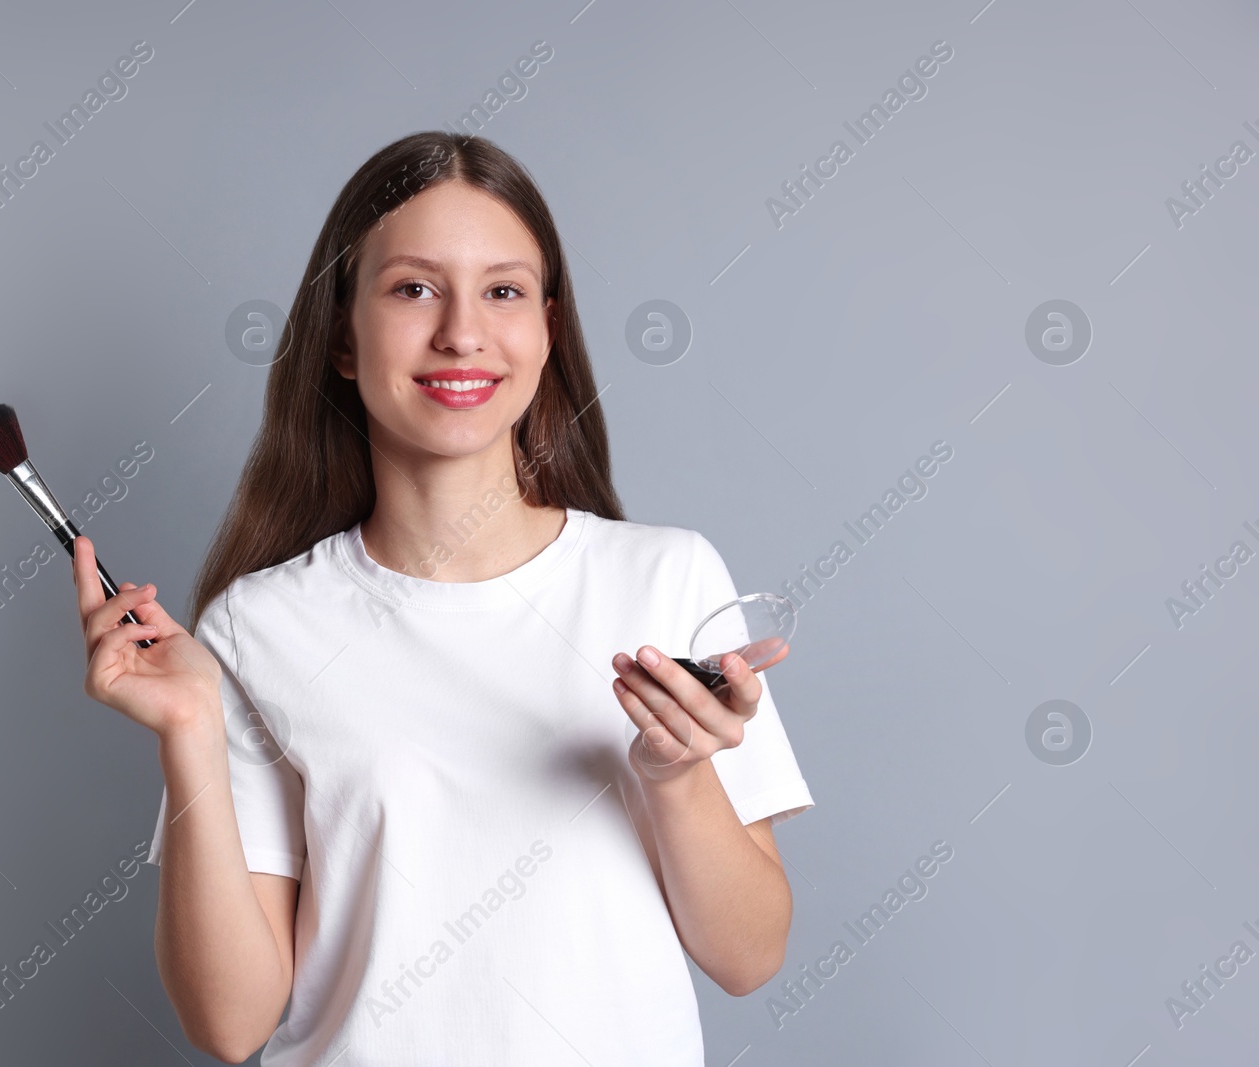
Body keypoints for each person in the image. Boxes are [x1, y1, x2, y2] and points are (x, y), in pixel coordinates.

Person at [71, 130, 814, 1066]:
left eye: (502, 290)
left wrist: (675, 774)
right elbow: (231, 1024)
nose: (462, 331)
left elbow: (748, 957)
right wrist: (188, 729)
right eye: (413, 287)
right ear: (341, 336)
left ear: (547, 328)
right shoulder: (258, 627)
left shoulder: (666, 579)